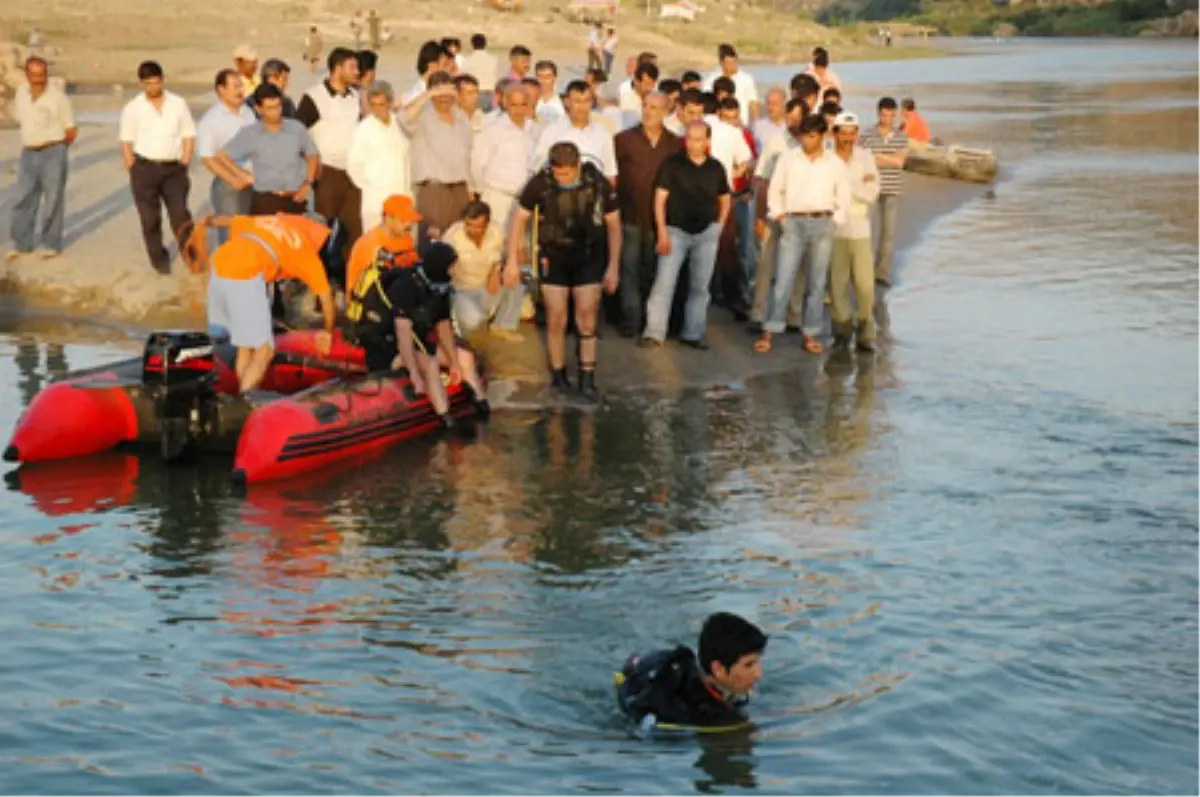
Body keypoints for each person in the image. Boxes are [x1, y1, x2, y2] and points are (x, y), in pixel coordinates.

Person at [505, 142, 620, 399]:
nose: (561, 178)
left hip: (588, 255)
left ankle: (587, 377)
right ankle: (559, 377)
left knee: (587, 318)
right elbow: (520, 219)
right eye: (558, 173)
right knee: (556, 317)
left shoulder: (597, 182)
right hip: (554, 256)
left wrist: (613, 266)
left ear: (578, 165)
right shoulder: (541, 183)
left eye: (566, 173)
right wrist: (513, 260)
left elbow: (614, 225)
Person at [351, 241, 490, 427]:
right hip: (386, 346)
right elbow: (404, 336)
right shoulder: (406, 287)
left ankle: (481, 405)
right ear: (440, 267)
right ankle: (446, 419)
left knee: (465, 358)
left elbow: (443, 326)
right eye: (452, 267)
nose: (455, 272)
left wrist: (454, 363)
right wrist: (415, 374)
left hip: (418, 342)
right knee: (429, 363)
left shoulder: (440, 288)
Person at [204, 213, 336, 393]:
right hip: (246, 273)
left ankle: (241, 391)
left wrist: (208, 221)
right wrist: (327, 330)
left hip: (219, 263)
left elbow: (229, 220)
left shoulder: (271, 221)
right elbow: (326, 297)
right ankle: (245, 401)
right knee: (264, 350)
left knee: (246, 344)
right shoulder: (304, 251)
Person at [759, 113, 850, 356]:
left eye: (811, 136)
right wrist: (779, 216)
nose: (806, 141)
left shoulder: (834, 163)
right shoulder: (789, 159)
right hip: (794, 222)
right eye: (803, 136)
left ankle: (810, 333)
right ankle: (769, 331)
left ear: (822, 136)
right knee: (782, 278)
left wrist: (835, 222)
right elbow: (775, 189)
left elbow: (843, 195)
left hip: (823, 222)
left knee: (817, 283)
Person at [642, 120, 731, 349]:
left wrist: (718, 226)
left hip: (706, 233)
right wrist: (661, 230)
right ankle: (654, 332)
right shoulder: (672, 164)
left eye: (699, 139)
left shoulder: (716, 167)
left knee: (700, 287)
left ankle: (693, 333)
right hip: (675, 231)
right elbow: (660, 197)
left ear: (708, 141)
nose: (693, 144)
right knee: (664, 283)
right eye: (690, 138)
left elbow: (725, 197)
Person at [616, 612, 767, 732]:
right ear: (718, 669)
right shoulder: (683, 713)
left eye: (757, 662)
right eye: (749, 665)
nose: (758, 673)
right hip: (645, 678)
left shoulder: (726, 689)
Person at [118, 60, 195, 275]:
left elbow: (188, 133)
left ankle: (190, 254)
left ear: (163, 80)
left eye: (156, 82)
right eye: (149, 83)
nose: (154, 87)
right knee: (149, 218)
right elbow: (126, 140)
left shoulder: (178, 103)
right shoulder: (133, 108)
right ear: (142, 83)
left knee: (180, 214)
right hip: (144, 167)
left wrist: (186, 161)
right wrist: (132, 167)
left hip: (174, 168)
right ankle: (159, 259)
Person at [613, 91, 679, 337]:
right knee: (629, 268)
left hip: (660, 219)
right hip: (629, 214)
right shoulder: (623, 139)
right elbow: (614, 176)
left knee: (654, 270)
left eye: (655, 107)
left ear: (665, 111)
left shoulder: (674, 144)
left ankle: (652, 321)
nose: (649, 111)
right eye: (646, 106)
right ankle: (631, 320)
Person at [8, 56, 76, 262]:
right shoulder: (21, 93)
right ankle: (22, 243)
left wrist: (57, 149)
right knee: (23, 198)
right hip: (28, 152)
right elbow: (21, 118)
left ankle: (50, 243)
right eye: (34, 75)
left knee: (53, 199)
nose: (38, 79)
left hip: (53, 150)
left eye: (42, 74)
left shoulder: (58, 98)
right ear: (27, 74)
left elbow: (71, 129)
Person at [296, 47, 363, 256]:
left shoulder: (356, 96)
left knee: (354, 229)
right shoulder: (314, 97)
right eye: (352, 67)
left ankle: (349, 278)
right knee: (322, 229)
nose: (357, 72)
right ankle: (318, 278)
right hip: (327, 171)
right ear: (336, 69)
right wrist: (308, 172)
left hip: (354, 173)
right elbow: (298, 134)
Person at [217, 83, 319, 216]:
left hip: (296, 199)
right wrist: (242, 174)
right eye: (270, 108)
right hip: (266, 201)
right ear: (259, 109)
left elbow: (312, 154)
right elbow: (223, 155)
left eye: (278, 106)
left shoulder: (296, 128)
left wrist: (308, 183)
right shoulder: (250, 134)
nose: (276, 112)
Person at [829, 111, 880, 352]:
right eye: (844, 133)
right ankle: (841, 331)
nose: (849, 138)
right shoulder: (828, 159)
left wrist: (849, 187)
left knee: (864, 285)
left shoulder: (865, 157)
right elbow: (826, 194)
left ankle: (865, 330)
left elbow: (872, 193)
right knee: (837, 285)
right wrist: (860, 183)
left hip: (860, 228)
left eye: (853, 133)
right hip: (835, 228)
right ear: (835, 134)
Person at [859, 97, 909, 328]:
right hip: (872, 187)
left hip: (892, 188)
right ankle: (866, 270)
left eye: (890, 114)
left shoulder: (901, 136)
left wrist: (882, 158)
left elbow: (900, 163)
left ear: (895, 115)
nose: (887, 117)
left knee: (888, 233)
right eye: (883, 113)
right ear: (879, 113)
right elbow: (867, 160)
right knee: (867, 230)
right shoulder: (868, 134)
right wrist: (888, 159)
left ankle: (882, 272)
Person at [443, 201, 525, 340]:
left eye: (478, 227)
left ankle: (502, 325)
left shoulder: (497, 230)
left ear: (487, 224)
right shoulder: (452, 235)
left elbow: (514, 254)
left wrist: (498, 268)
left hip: (488, 285)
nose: (472, 230)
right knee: (473, 322)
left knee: (518, 278)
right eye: (468, 225)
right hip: (462, 290)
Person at [471, 82, 536, 233]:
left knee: (524, 247)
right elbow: (477, 164)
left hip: (526, 201)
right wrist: (482, 192)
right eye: (514, 104)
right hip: (498, 197)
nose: (519, 110)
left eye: (523, 104)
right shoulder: (492, 130)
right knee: (498, 243)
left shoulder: (535, 130)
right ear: (506, 104)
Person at [347, 81, 412, 232]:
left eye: (381, 104)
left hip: (402, 195)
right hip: (376, 201)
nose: (378, 109)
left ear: (389, 103)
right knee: (376, 246)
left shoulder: (400, 123)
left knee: (403, 246)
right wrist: (372, 186)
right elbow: (354, 166)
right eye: (373, 105)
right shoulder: (363, 129)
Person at [531, 81, 617, 182]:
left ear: (592, 103)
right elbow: (539, 167)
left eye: (586, 101)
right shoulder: (551, 131)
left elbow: (610, 173)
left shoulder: (602, 133)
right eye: (577, 101)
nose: (582, 107)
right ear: (567, 102)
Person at [345, 194, 421, 301]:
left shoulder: (405, 237)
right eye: (403, 220)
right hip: (370, 302)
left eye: (411, 220)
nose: (409, 225)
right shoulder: (369, 245)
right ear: (387, 218)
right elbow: (362, 287)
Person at [704, 43, 758, 125]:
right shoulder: (712, 79)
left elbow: (753, 103)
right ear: (721, 62)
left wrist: (756, 123)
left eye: (734, 62)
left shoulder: (746, 79)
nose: (732, 66)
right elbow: (707, 102)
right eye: (728, 63)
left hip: (741, 123)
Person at [462, 34, 499, 109]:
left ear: (472, 44)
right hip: (491, 93)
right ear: (485, 44)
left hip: (476, 93)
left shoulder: (467, 60)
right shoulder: (493, 59)